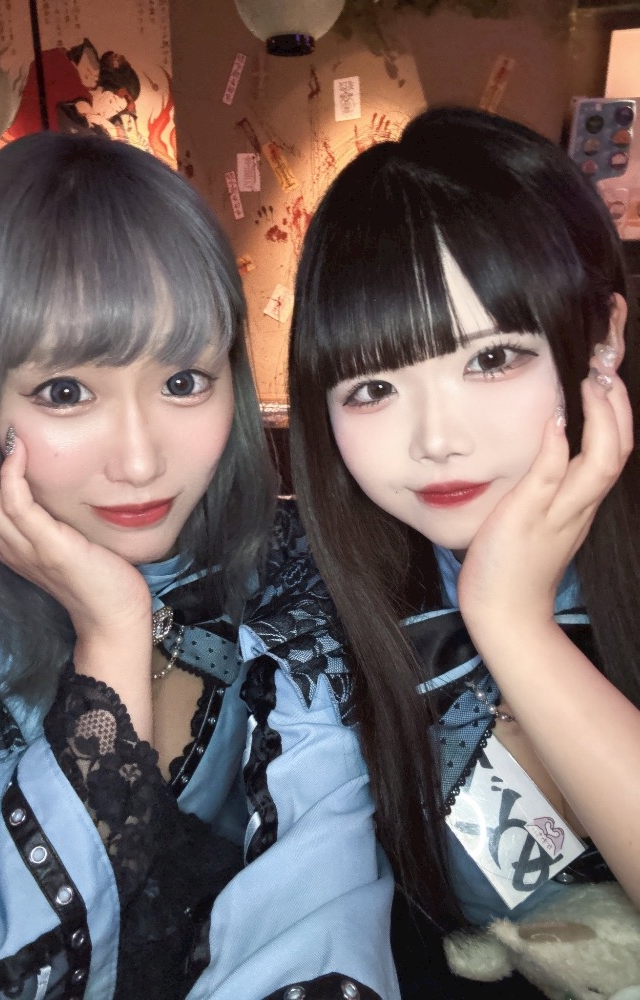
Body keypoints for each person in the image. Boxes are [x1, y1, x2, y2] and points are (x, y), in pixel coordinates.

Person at [239, 106, 640, 996]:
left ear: (603, 336)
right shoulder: (312, 620)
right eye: (373, 387)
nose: (436, 440)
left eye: (492, 360)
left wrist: (514, 625)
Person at [0, 130, 287, 1000]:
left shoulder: (274, 571)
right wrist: (111, 633)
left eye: (183, 381)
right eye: (66, 392)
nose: (141, 463)